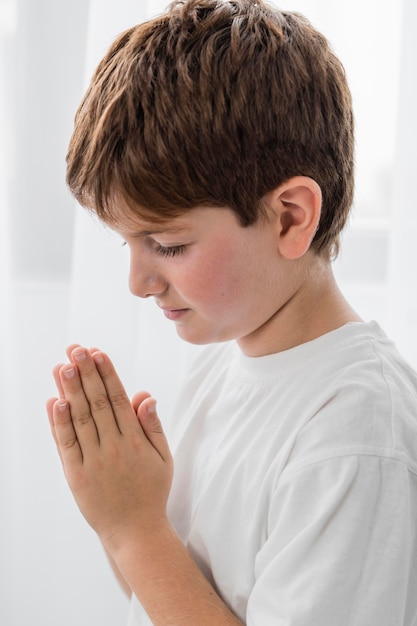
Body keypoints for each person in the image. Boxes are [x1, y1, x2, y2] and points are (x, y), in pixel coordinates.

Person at [46, 0, 417, 624]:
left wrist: (134, 527)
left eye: (168, 245)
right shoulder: (224, 362)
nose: (138, 282)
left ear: (291, 216)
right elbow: (163, 590)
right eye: (125, 242)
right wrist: (116, 511)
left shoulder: (354, 433)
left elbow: (149, 550)